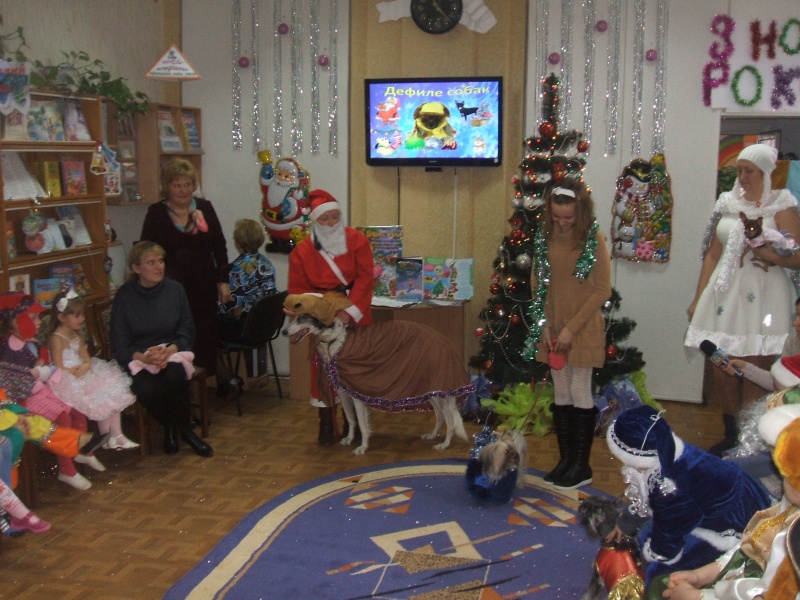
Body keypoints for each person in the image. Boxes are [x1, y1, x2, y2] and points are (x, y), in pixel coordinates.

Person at [685, 144, 800, 456]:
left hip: (764, 296)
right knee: (720, 363)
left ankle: (750, 440)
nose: (743, 176)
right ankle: (731, 434)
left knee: (753, 365)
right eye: (739, 170)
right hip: (724, 294)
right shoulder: (727, 203)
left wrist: (769, 254)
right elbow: (713, 254)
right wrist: (698, 297)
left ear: (766, 172)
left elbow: (797, 255)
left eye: (749, 170)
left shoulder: (781, 205)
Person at [605, 405, 773, 595]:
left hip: (736, 524)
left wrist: (656, 557)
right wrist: (626, 522)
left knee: (661, 568)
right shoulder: (665, 453)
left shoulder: (670, 486)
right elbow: (649, 501)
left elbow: (670, 532)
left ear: (633, 455)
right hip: (714, 506)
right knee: (647, 534)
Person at [658, 404, 800, 600]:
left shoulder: (795, 534)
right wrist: (702, 575)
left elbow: (769, 593)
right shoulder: (789, 506)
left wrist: (699, 597)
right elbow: (750, 548)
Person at [522, 178, 612, 490]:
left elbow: (602, 289)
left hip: (582, 326)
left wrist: (571, 329)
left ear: (581, 211)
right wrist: (546, 326)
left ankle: (581, 466)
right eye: (557, 216)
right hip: (553, 324)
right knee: (560, 392)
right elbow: (537, 284)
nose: (562, 223)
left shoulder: (593, 237)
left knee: (578, 390)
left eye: (569, 217)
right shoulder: (544, 237)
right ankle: (566, 460)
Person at [287, 189, 374, 446]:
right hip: (320, 317)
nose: (332, 223)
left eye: (335, 216)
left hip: (354, 313)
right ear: (315, 221)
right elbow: (298, 291)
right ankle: (326, 422)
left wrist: (348, 312)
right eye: (325, 219)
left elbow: (365, 279)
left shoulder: (357, 241)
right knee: (323, 370)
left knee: (354, 369)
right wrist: (315, 314)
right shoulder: (302, 252)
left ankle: (354, 423)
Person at [110, 241, 213, 458]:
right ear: (136, 268)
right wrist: (145, 358)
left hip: (171, 352)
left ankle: (186, 433)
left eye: (161, 261)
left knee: (174, 377)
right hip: (139, 357)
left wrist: (169, 351)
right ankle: (172, 427)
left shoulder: (175, 290)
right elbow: (119, 343)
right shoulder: (124, 296)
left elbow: (187, 330)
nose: (159, 267)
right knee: (147, 389)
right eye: (151, 262)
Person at [0, 292, 103, 490]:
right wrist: (40, 374)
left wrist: (44, 371)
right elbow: (14, 384)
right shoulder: (10, 348)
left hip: (42, 389)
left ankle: (82, 450)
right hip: (26, 399)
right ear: (15, 320)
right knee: (62, 417)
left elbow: (41, 368)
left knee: (75, 409)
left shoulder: (29, 341)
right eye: (33, 317)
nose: (39, 321)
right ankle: (67, 469)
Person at [140, 157, 231, 377]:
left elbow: (219, 246)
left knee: (204, 337)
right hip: (169, 288)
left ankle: (201, 385)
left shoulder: (205, 208)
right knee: (176, 336)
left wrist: (223, 281)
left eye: (188, 184)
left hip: (203, 286)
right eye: (177, 185)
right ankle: (179, 382)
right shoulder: (156, 213)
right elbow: (145, 250)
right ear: (167, 187)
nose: (183, 190)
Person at [46, 289, 138, 451]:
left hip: (83, 372)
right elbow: (58, 367)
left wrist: (86, 365)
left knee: (111, 386)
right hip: (67, 379)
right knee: (99, 394)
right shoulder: (56, 338)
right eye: (77, 316)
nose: (82, 319)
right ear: (61, 317)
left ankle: (116, 435)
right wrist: (75, 372)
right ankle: (106, 435)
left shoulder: (77, 335)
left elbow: (86, 358)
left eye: (82, 314)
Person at [218, 218, 277, 343]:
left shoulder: (235, 269)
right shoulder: (266, 263)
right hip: (266, 326)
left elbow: (227, 305)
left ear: (237, 242)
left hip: (243, 329)